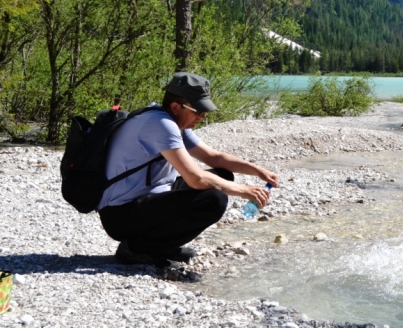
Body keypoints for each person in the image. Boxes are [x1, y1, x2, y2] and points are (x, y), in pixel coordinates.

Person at [98, 72, 279, 266]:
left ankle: (162, 245)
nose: (202, 116)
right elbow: (195, 179)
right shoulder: (161, 124)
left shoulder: (171, 121)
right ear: (176, 107)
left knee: (222, 175)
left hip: (147, 199)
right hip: (120, 214)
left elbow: (213, 157)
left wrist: (257, 170)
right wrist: (245, 190)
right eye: (198, 110)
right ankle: (136, 248)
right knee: (214, 199)